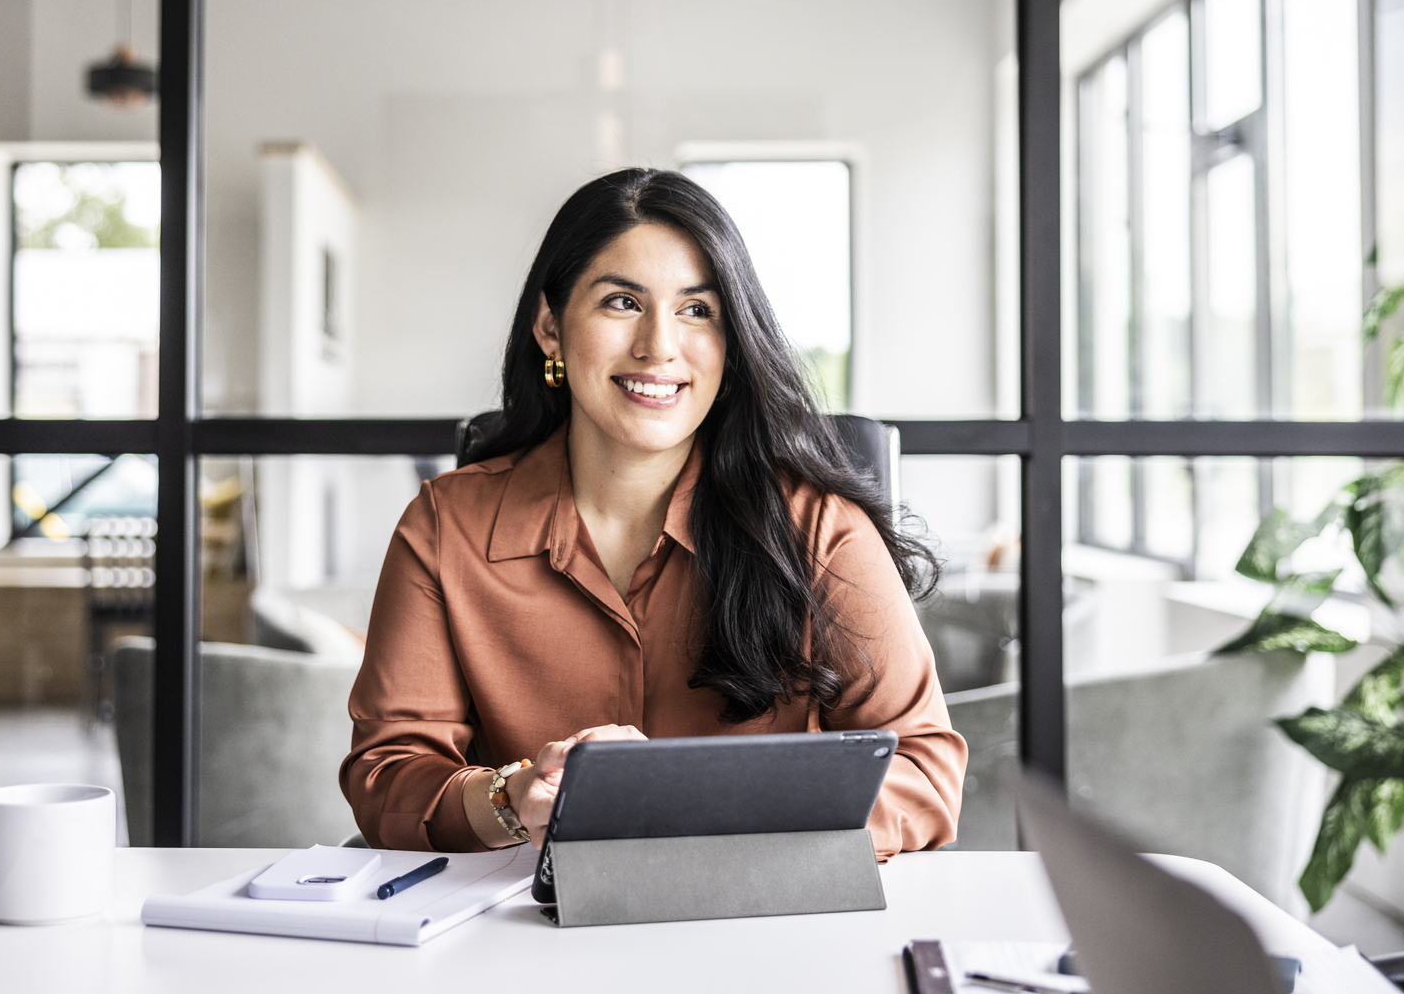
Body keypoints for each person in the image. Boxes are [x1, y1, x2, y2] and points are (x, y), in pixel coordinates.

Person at [341, 169, 967, 858]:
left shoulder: (818, 530)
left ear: (732, 345)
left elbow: (923, 771)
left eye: (697, 311)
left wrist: (697, 803)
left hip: (760, 923)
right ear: (550, 327)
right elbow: (388, 774)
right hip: (523, 932)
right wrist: (512, 799)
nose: (659, 346)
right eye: (620, 302)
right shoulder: (444, 526)